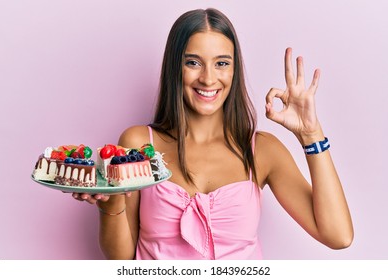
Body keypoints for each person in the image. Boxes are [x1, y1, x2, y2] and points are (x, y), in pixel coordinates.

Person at [73, 8, 353, 260]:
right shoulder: (138, 144)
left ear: (234, 69)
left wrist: (311, 133)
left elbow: (338, 236)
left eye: (221, 63)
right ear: (175, 68)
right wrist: (109, 202)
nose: (208, 78)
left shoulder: (262, 151)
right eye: (193, 62)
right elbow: (121, 259)